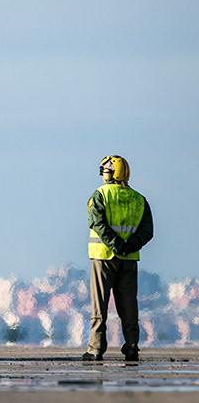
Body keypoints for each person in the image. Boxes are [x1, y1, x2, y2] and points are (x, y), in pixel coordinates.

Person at [82, 155, 154, 362]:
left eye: (105, 170)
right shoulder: (139, 199)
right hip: (129, 259)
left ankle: (96, 349)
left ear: (111, 173)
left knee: (99, 306)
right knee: (129, 306)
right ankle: (132, 346)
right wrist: (129, 246)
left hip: (103, 258)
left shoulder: (100, 194)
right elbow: (147, 230)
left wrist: (115, 244)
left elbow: (97, 223)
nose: (103, 173)